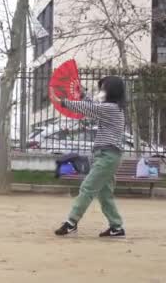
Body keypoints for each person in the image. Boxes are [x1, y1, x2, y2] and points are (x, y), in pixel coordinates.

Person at [50, 76, 127, 238]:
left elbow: (89, 109)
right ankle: (116, 227)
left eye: (104, 88)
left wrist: (61, 101)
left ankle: (71, 222)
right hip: (106, 156)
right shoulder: (112, 108)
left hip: (107, 156)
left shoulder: (111, 108)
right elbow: (94, 107)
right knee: (104, 194)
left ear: (111, 90)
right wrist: (83, 94)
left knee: (87, 188)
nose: (102, 91)